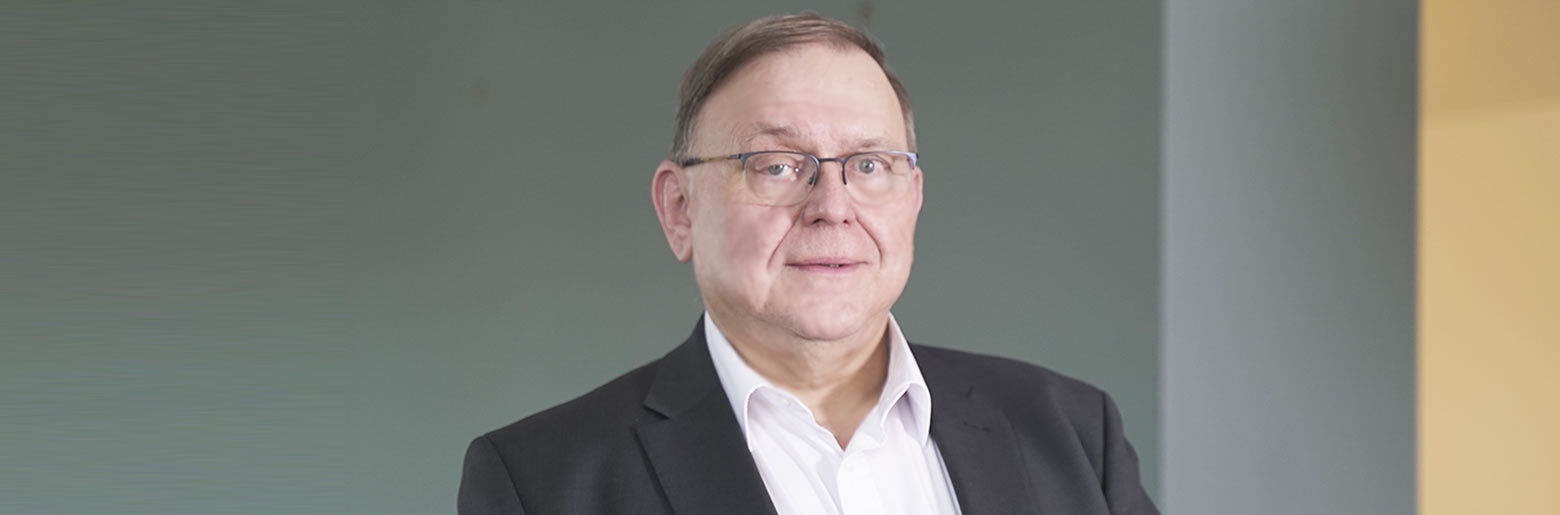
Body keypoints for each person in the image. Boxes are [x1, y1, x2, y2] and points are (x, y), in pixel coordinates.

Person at [458, 13, 1159, 515]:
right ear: (679, 209)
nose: (832, 206)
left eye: (869, 164)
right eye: (777, 165)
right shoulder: (543, 483)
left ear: (913, 198)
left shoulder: (1071, 431)